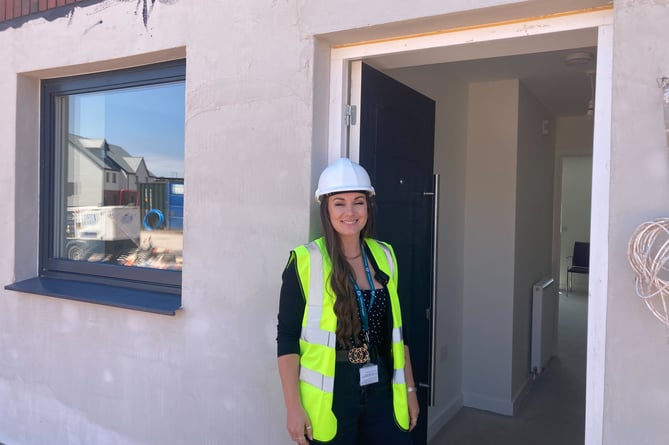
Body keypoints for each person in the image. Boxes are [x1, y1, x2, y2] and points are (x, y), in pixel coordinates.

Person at [277, 157, 419, 444]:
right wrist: (293, 408)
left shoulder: (385, 256)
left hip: (382, 387)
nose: (350, 212)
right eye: (339, 202)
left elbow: (398, 333)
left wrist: (411, 391)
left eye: (358, 201)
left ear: (369, 206)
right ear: (326, 208)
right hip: (332, 394)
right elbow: (287, 339)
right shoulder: (304, 262)